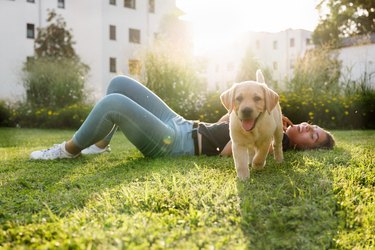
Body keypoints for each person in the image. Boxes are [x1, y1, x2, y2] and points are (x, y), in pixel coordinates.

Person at [30, 76, 335, 160]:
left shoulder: (270, 143)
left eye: (313, 136)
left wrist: (261, 128)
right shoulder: (264, 120)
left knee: (113, 103)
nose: (310, 128)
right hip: (181, 123)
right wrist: (249, 110)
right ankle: (99, 144)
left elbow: (230, 150)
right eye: (315, 127)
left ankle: (68, 150)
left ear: (306, 147)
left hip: (175, 143)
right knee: (119, 83)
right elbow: (223, 122)